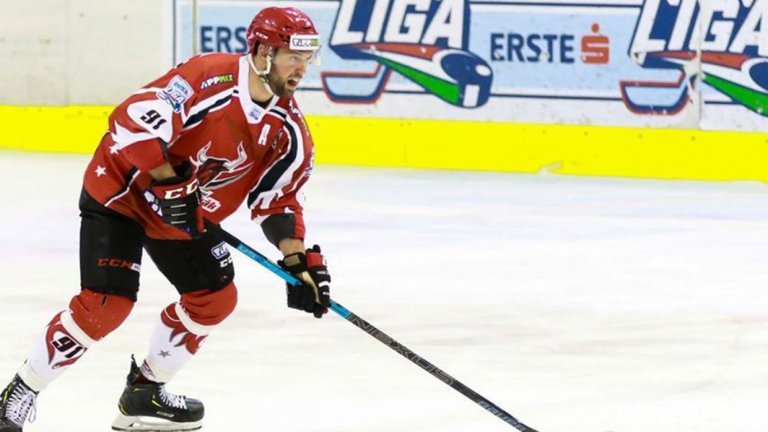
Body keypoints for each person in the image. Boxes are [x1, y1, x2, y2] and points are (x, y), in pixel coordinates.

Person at [0, 6, 331, 432]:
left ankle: (145, 392)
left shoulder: (289, 132)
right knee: (106, 304)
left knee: (215, 299)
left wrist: (297, 262)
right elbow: (132, 120)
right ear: (263, 53)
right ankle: (21, 391)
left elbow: (279, 202)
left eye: (307, 59)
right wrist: (168, 181)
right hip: (122, 193)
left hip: (183, 217)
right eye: (293, 57)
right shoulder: (208, 78)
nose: (301, 68)